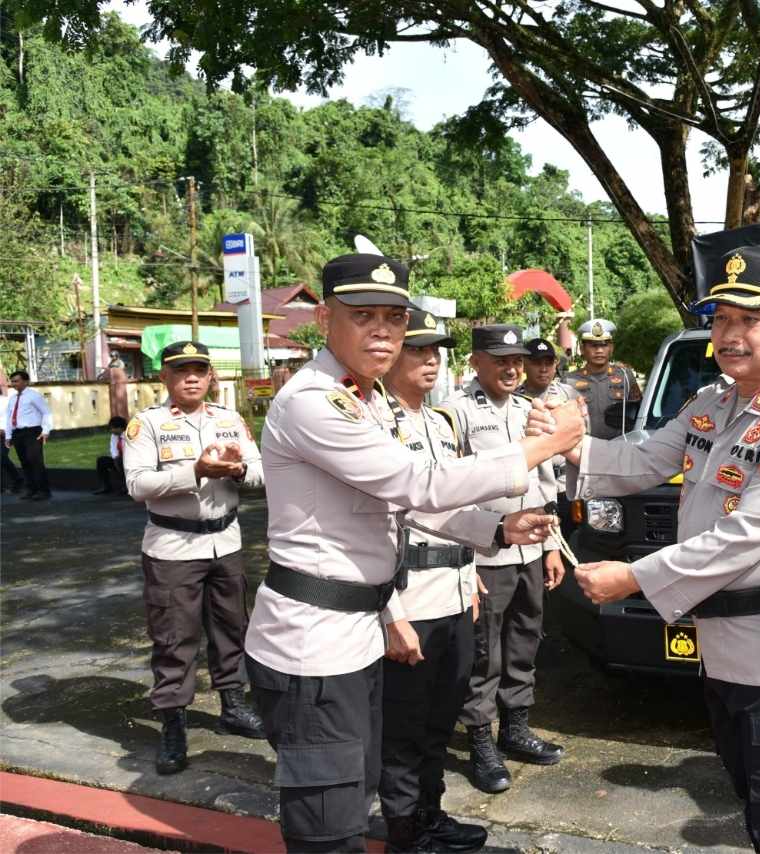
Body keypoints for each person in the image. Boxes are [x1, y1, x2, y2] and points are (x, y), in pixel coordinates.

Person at [243, 253, 581, 853]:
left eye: (394, 318)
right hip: (313, 642)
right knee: (330, 828)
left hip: (356, 632)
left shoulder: (365, 400)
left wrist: (498, 530)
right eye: (363, 314)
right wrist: (543, 448)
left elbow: (408, 505)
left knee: (362, 790)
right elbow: (416, 485)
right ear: (325, 317)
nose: (382, 331)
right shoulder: (315, 402)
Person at [570, 246, 760, 852]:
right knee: (753, 793)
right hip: (719, 648)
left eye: (749, 320)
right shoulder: (714, 402)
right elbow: (643, 457)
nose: (730, 334)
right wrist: (570, 446)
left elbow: (738, 540)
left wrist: (632, 578)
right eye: (721, 319)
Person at [376, 310, 514, 853]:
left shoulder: (443, 423)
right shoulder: (373, 424)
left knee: (438, 721)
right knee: (404, 729)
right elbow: (377, 526)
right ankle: (404, 833)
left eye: (437, 350)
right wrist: (390, 614)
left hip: (455, 590)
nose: (431, 360)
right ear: (392, 357)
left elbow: (458, 506)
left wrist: (476, 565)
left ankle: (430, 816)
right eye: (418, 350)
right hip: (407, 598)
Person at [123, 341, 268, 775]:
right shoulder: (147, 424)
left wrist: (239, 470)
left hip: (225, 542)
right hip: (173, 547)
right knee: (173, 636)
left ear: (210, 377)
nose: (191, 377)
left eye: (199, 370)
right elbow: (137, 484)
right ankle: (172, 723)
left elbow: (261, 472)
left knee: (231, 628)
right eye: (181, 370)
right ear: (164, 377)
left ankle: (232, 705)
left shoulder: (228, 420)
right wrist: (197, 472)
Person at [447, 325, 565, 795]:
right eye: (500, 360)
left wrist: (552, 545)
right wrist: (464, 562)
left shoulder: (530, 410)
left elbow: (546, 478)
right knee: (484, 651)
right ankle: (480, 739)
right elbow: (448, 493)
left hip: (532, 548)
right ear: (476, 362)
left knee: (525, 638)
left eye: (517, 360)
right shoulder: (455, 414)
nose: (513, 368)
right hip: (485, 552)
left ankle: (514, 729)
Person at [518, 337, 581, 516]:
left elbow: (583, 437)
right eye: (537, 363)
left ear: (556, 364)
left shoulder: (569, 395)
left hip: (566, 485)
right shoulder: (514, 399)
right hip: (532, 488)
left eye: (549, 362)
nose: (544, 369)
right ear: (524, 364)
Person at [564, 319, 642, 439]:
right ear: (582, 349)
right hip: (584, 450)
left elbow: (639, 413)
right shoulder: (569, 381)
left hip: (619, 447)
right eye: (593, 345)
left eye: (604, 344)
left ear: (611, 348)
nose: (599, 350)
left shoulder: (626, 376)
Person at [4, 370, 53, 500]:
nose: (13, 384)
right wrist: (8, 436)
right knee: (24, 462)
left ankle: (44, 491)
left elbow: (46, 413)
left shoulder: (34, 396)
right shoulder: (13, 398)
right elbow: (9, 418)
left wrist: (46, 431)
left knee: (35, 461)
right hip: (18, 433)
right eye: (12, 381)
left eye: (16, 381)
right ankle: (31, 489)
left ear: (26, 382)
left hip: (32, 432)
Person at [94, 415, 129, 495]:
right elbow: (113, 449)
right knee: (101, 461)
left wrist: (120, 459)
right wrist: (115, 458)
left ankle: (126, 487)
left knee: (120, 461)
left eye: (112, 428)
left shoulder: (130, 435)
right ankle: (106, 487)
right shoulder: (114, 436)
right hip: (118, 460)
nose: (111, 430)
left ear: (120, 427)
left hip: (130, 460)